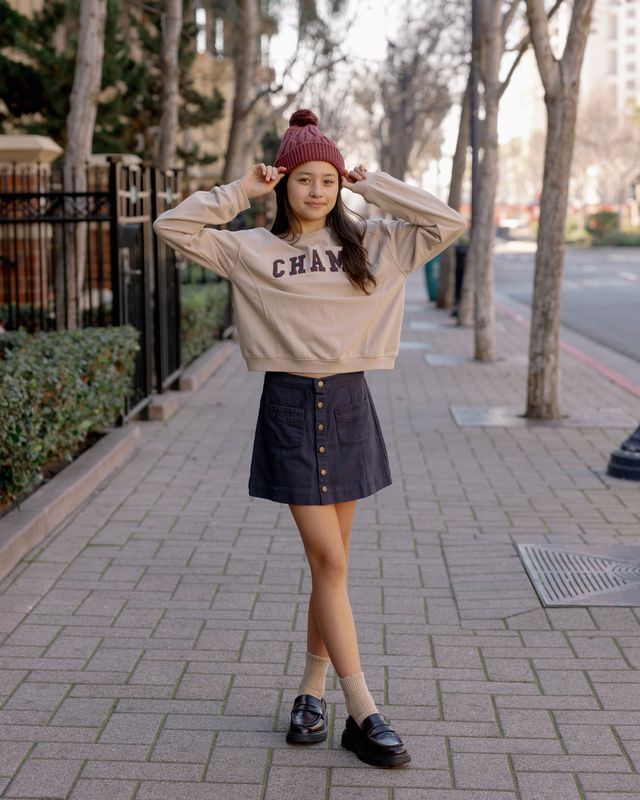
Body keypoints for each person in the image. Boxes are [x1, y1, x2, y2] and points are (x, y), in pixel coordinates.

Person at [153, 109, 466, 768]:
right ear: (285, 182)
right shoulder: (251, 250)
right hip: (291, 408)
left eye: (329, 179)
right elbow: (171, 226)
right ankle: (364, 713)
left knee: (335, 570)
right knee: (329, 564)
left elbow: (449, 222)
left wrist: (371, 180)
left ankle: (309, 692)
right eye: (304, 179)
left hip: (351, 405)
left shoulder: (378, 243)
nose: (318, 190)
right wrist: (241, 190)